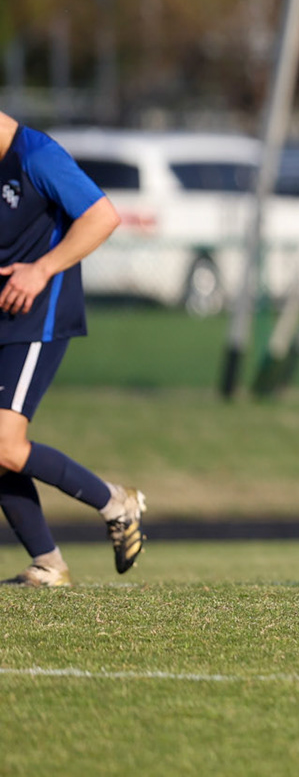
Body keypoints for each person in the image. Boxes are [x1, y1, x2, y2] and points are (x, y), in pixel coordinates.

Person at [0, 112, 145, 587]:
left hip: (40, 314)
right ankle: (48, 564)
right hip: (5, 313)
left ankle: (115, 503)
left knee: (4, 443)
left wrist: (41, 269)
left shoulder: (37, 155)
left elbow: (102, 217)